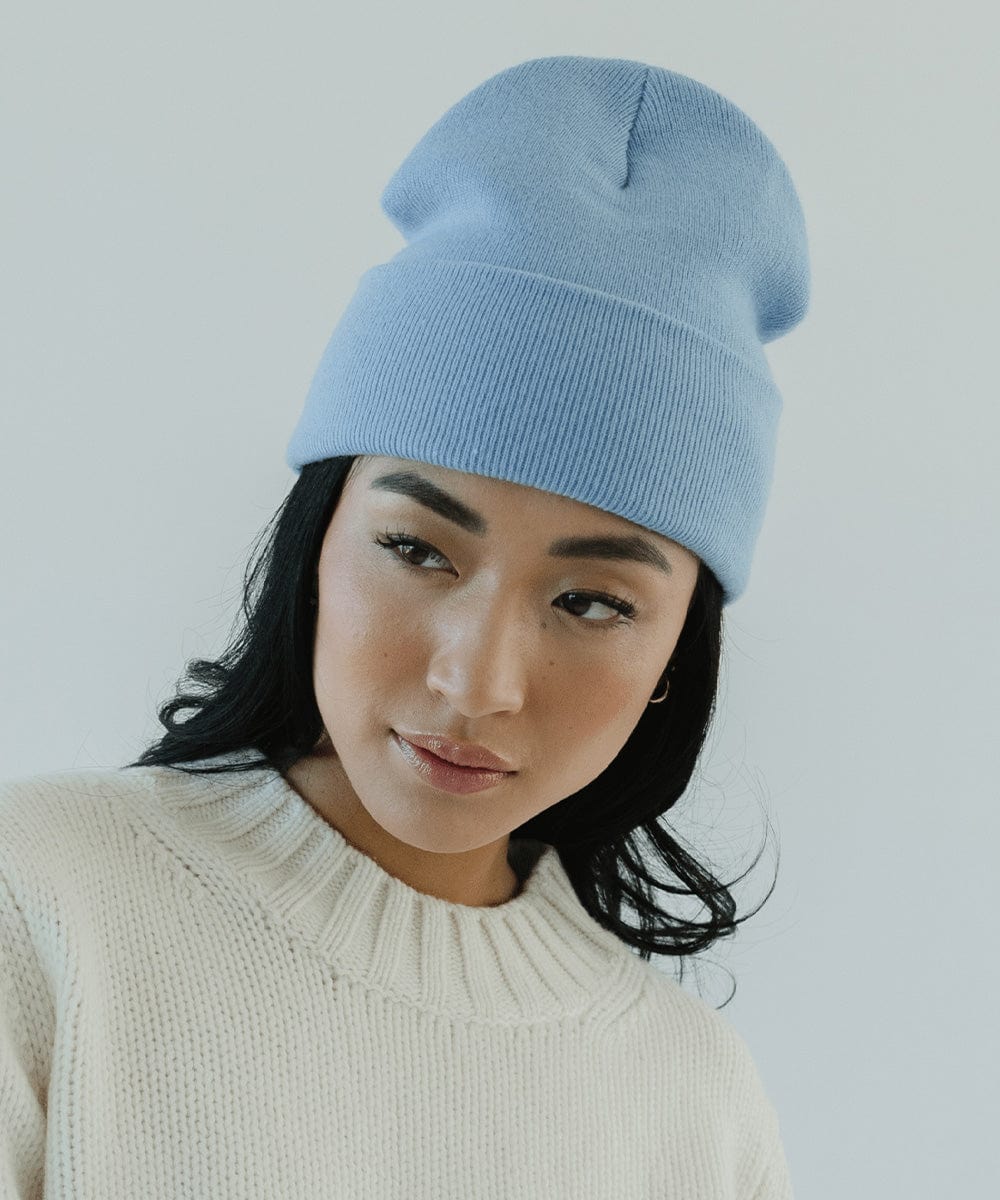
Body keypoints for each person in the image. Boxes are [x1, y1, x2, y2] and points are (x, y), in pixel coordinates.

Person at [0, 54, 810, 1198]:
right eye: (419, 550)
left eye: (590, 603)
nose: (476, 681)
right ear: (317, 543)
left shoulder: (695, 1106)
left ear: (677, 653)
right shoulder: (40, 910)